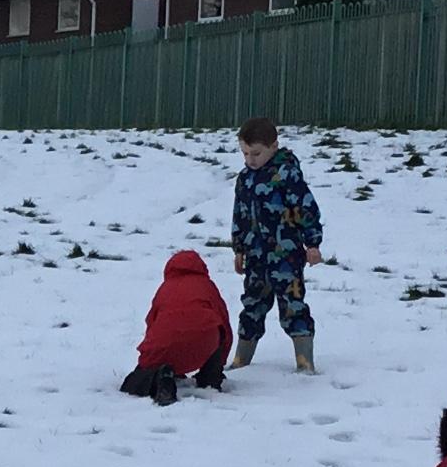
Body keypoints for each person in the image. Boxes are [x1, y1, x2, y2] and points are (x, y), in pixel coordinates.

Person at [227, 114, 324, 372]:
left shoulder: (287, 174)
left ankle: (304, 360)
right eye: (245, 154)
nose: (250, 160)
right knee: (252, 305)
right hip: (255, 256)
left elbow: (306, 209)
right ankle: (241, 358)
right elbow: (240, 215)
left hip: (286, 256)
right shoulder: (244, 179)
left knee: (293, 305)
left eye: (256, 153)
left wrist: (312, 243)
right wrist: (239, 248)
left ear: (273, 146)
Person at [119, 249, 232, 406]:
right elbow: (224, 324)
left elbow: (152, 323)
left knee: (135, 383)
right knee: (215, 329)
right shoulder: (208, 286)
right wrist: (218, 365)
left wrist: (151, 356)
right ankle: (209, 379)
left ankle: (160, 377)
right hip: (205, 342)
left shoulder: (165, 288)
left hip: (165, 344)